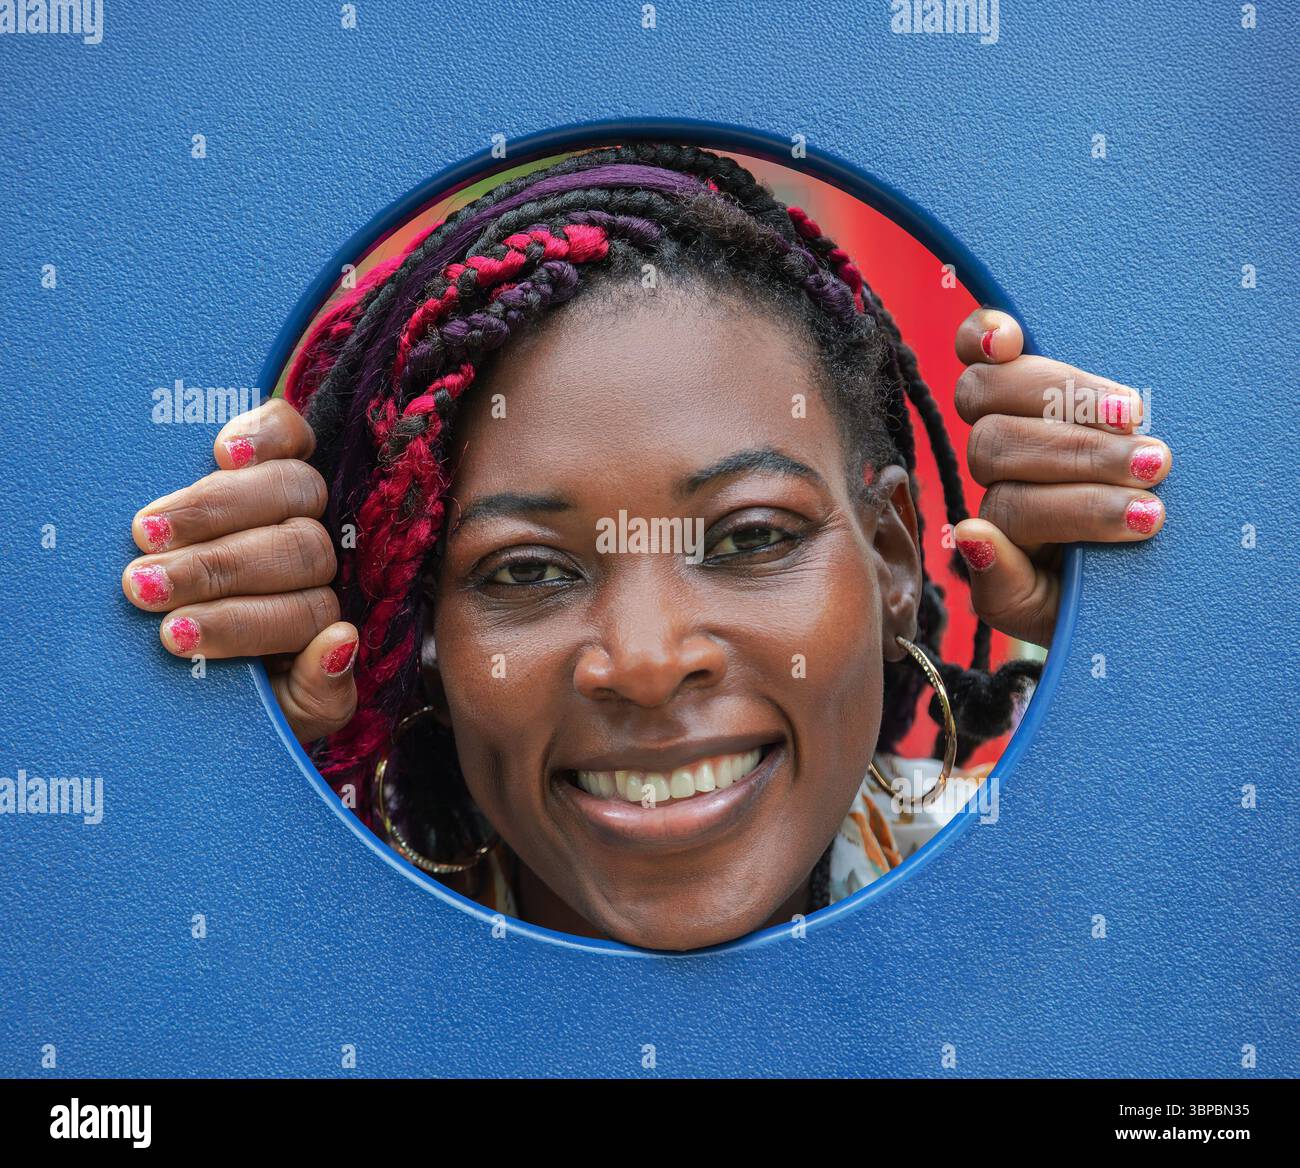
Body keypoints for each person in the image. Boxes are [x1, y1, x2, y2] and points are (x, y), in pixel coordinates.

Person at [121, 145, 1171, 950]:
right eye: (527, 569)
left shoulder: (1078, 910)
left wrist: (1158, 661)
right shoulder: (304, 969)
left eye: (751, 537)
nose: (647, 659)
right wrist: (225, 815)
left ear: (894, 558)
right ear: (416, 627)